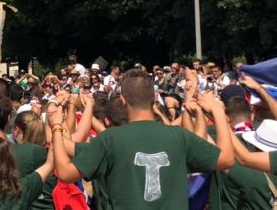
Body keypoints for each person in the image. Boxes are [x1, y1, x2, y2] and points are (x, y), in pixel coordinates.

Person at [53, 70, 233, 207]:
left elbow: (64, 173)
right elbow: (226, 159)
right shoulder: (179, 136)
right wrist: (217, 111)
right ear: (154, 99)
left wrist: (55, 126)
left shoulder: (109, 139)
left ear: (123, 100)